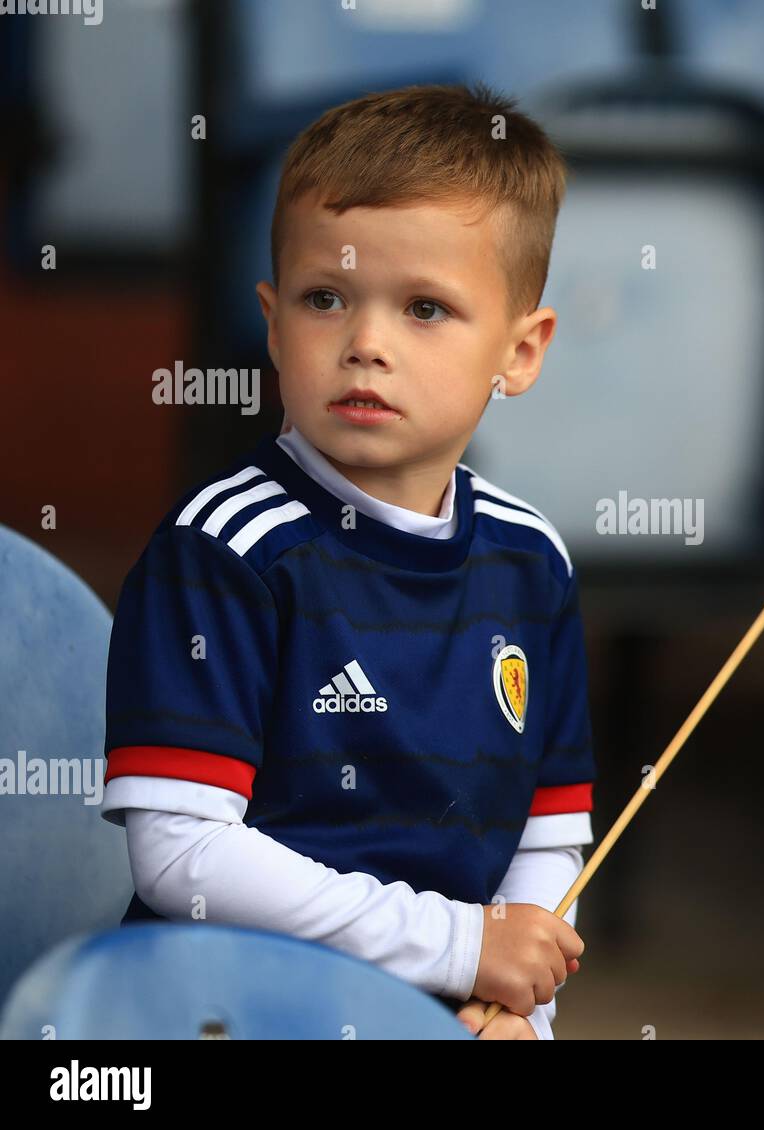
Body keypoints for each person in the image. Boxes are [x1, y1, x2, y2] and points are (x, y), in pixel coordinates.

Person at [99, 83, 595, 1040]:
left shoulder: (532, 561)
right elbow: (182, 858)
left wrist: (518, 1008)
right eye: (327, 298)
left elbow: (549, 831)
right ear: (274, 321)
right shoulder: (220, 553)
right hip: (228, 1013)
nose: (366, 344)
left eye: (425, 309)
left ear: (521, 350)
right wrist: (457, 944)